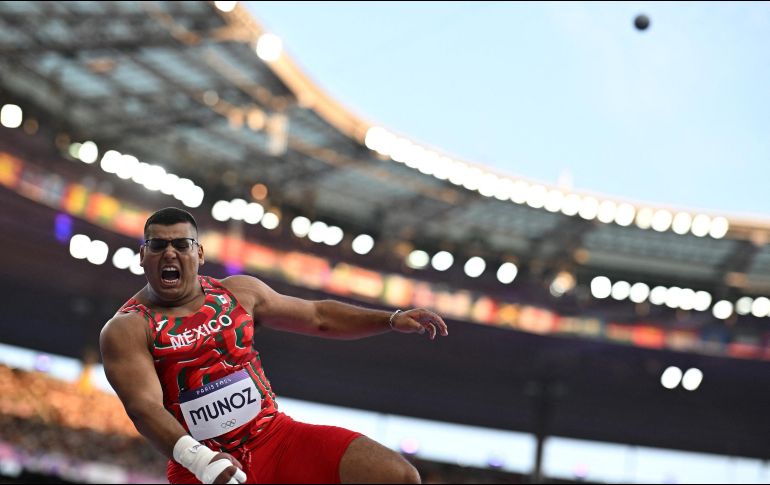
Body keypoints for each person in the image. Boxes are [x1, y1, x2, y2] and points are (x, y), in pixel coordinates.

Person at [100, 207, 448, 484]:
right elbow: (145, 408)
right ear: (142, 255)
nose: (170, 253)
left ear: (200, 253)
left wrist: (389, 318)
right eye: (158, 245)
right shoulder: (128, 328)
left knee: (398, 476)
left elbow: (318, 316)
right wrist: (202, 462)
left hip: (277, 438)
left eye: (182, 244)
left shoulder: (239, 293)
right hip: (204, 468)